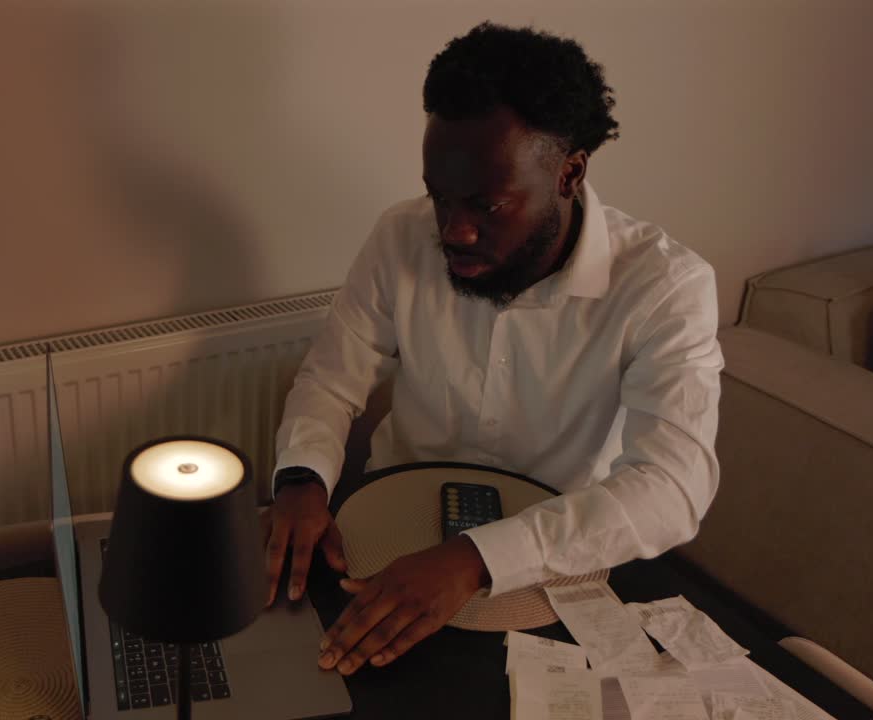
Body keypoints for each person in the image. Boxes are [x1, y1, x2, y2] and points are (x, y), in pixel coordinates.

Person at [262, 22, 723, 677]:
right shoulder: (401, 236)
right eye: (439, 195)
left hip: (552, 561)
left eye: (486, 204)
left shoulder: (664, 286)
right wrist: (301, 480)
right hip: (387, 526)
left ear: (569, 171)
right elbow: (332, 379)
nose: (453, 230)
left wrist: (473, 558)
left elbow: (673, 487)